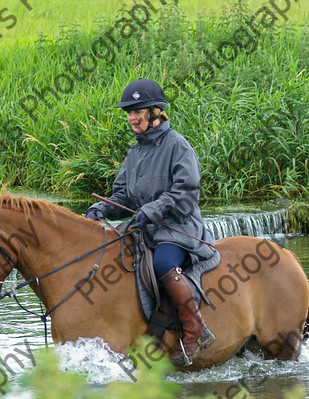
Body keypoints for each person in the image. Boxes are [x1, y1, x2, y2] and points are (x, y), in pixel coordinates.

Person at [86, 78, 217, 365]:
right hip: (144, 230)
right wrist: (101, 208)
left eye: (138, 111)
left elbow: (185, 193)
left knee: (162, 264)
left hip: (178, 228)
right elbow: (123, 196)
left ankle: (196, 328)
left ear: (155, 111)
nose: (132, 117)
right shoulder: (135, 153)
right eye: (129, 112)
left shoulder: (177, 146)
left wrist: (153, 211)